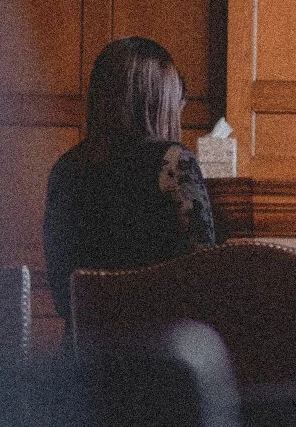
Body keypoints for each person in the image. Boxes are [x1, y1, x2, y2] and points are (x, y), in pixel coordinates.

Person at [42, 37, 215, 324]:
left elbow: (62, 295)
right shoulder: (172, 160)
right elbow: (203, 278)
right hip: (160, 354)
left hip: (82, 355)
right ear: (160, 100)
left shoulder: (66, 168)